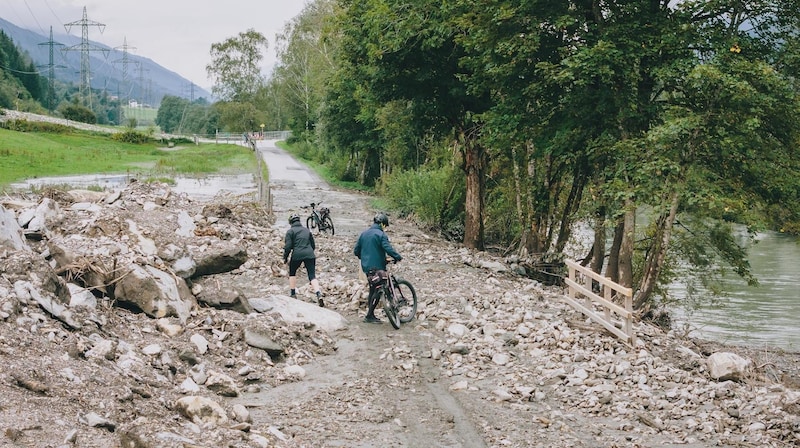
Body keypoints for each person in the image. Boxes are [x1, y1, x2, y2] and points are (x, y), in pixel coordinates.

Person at [354, 212, 402, 323]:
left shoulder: (364, 234)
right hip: (378, 267)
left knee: (372, 288)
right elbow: (388, 248)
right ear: (382, 224)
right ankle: (369, 315)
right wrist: (397, 257)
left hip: (366, 267)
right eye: (385, 225)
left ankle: (370, 314)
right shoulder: (381, 235)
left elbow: (356, 251)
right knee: (379, 288)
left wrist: (365, 258)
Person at [283, 213, 324, 307]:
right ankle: (318, 294)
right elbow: (313, 245)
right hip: (310, 254)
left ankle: (293, 294)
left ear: (290, 222)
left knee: (292, 272)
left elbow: (288, 247)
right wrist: (308, 254)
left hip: (297, 254)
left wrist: (285, 258)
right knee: (312, 275)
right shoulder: (307, 230)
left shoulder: (290, 232)